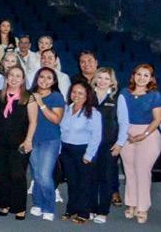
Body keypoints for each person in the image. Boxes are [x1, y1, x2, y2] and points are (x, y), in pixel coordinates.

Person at [0, 65, 38, 220]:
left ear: (23, 80)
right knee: (2, 174)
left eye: (18, 76)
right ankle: (5, 204)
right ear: (6, 78)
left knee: (17, 174)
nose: (14, 79)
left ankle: (19, 207)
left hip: (20, 142)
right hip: (1, 140)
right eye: (11, 75)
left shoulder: (28, 97)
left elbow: (33, 121)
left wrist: (28, 140)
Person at [114, 64, 161, 224]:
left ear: (151, 79)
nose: (141, 78)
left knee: (142, 171)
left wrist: (143, 135)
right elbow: (121, 117)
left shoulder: (155, 95)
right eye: (139, 74)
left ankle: (142, 207)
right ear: (133, 76)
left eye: (146, 75)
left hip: (149, 134)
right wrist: (126, 134)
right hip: (127, 133)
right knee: (129, 171)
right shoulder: (124, 93)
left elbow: (157, 119)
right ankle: (132, 204)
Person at [60, 82, 102, 224]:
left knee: (84, 183)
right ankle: (71, 208)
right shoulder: (67, 108)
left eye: (80, 93)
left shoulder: (93, 112)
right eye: (74, 92)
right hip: (67, 150)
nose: (76, 95)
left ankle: (84, 212)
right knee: (72, 182)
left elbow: (96, 135)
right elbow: (62, 131)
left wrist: (89, 154)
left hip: (83, 150)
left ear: (87, 96)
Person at [29, 67, 65, 221]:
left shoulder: (56, 97)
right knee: (36, 174)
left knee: (44, 175)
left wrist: (41, 103)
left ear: (54, 81)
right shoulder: (29, 94)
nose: (44, 80)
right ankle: (38, 203)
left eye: (49, 78)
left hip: (50, 140)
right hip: (32, 139)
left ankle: (49, 207)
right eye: (41, 76)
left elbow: (56, 119)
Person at [90, 67, 120, 223]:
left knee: (106, 178)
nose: (102, 81)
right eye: (100, 77)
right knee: (91, 177)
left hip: (109, 144)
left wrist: (120, 143)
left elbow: (124, 122)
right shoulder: (88, 96)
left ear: (112, 82)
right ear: (95, 79)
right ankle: (91, 208)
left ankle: (103, 211)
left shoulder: (117, 98)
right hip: (90, 144)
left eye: (107, 78)